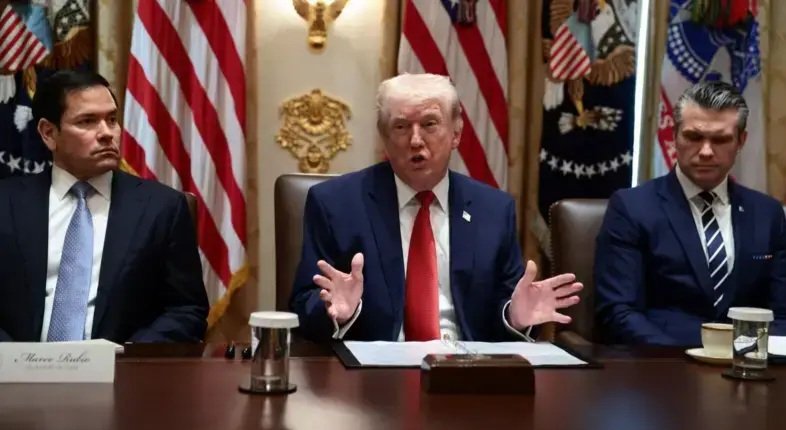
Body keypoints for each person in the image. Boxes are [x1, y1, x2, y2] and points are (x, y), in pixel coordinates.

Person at [290, 73, 583, 342]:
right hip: (373, 372)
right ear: (385, 138)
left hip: (465, 370)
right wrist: (336, 311)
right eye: (401, 126)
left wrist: (514, 318)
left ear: (456, 134)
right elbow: (303, 305)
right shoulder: (335, 204)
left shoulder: (493, 210)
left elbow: (503, 308)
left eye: (430, 124)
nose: (416, 140)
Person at [0, 70, 209, 343]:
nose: (107, 133)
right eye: (87, 121)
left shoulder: (162, 208)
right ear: (48, 133)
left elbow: (187, 310)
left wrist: (125, 355)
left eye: (111, 120)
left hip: (123, 365)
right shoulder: (6, 204)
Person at [595, 81, 786, 346]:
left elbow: (782, 315)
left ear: (741, 141)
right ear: (675, 136)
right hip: (664, 361)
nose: (706, 151)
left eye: (720, 139)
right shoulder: (632, 207)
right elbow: (619, 312)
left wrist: (748, 353)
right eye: (694, 137)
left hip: (748, 362)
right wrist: (689, 357)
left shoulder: (767, 213)